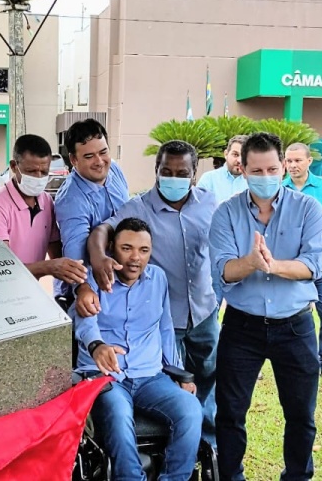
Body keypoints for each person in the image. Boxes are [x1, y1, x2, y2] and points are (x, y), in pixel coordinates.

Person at [81, 140, 220, 447]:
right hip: (162, 317)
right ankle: (172, 444)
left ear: (194, 173)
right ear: (156, 171)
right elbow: (103, 230)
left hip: (205, 311)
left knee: (207, 381)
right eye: (165, 171)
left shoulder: (211, 203)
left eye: (181, 172)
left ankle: (205, 446)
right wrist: (98, 257)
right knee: (174, 384)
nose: (173, 177)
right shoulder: (138, 206)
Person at [209, 132, 322, 481]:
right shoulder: (226, 213)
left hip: (295, 326)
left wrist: (272, 265)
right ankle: (231, 476)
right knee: (230, 412)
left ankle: (297, 476)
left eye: (272, 169)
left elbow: (312, 267)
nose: (265, 177)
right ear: (242, 170)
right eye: (256, 171)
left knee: (301, 414)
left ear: (284, 168)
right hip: (241, 327)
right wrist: (251, 262)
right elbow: (223, 271)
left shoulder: (309, 209)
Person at [74, 218, 201, 481]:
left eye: (143, 250)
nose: (135, 258)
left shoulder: (158, 279)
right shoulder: (94, 278)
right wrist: (97, 346)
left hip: (149, 376)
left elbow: (165, 328)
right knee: (119, 418)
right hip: (106, 376)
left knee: (190, 409)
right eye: (126, 248)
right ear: (111, 248)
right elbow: (84, 321)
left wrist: (178, 372)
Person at [0, 134, 86, 284]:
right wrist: (47, 267)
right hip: (0, 292)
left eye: (44, 172)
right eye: (31, 171)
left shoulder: (46, 201)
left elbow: (54, 246)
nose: (38, 177)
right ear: (14, 166)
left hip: (31, 290)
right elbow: (0, 267)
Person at [283, 142, 322, 386]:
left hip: (319, 264)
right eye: (289, 161)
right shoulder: (279, 188)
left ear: (310, 161)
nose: (293, 165)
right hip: (286, 266)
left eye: (298, 160)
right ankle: (289, 362)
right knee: (285, 315)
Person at [54, 118, 129, 311]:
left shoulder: (115, 169)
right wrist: (83, 288)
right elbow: (74, 251)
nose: (99, 162)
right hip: (92, 288)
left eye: (103, 152)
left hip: (122, 281)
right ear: (73, 160)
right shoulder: (70, 199)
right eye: (89, 156)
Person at [197, 135, 248, 203]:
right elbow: (198, 208)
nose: (239, 160)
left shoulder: (256, 182)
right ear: (226, 154)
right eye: (235, 154)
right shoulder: (208, 179)